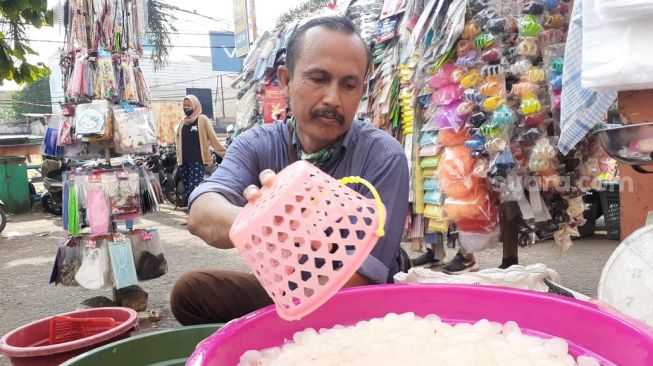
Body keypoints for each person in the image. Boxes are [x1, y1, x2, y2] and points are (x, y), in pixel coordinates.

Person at [170, 16, 409, 325]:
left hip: (357, 304)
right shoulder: (257, 143)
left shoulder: (384, 156)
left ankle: (274, 334)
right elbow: (201, 213)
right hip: (288, 289)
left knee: (343, 309)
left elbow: (361, 279)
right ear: (285, 80)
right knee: (190, 293)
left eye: (348, 85)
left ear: (362, 90)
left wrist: (292, 231)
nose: (333, 98)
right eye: (318, 78)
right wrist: (265, 219)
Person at [174, 95, 226, 201]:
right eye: (184, 105)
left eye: (189, 105)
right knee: (187, 190)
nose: (186, 107)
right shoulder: (182, 122)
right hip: (184, 163)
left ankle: (195, 212)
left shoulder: (202, 119)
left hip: (197, 161)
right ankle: (192, 212)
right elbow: (178, 141)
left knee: (195, 190)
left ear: (195, 106)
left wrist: (226, 154)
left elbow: (213, 138)